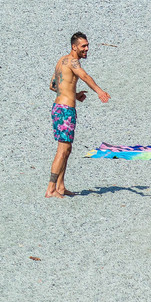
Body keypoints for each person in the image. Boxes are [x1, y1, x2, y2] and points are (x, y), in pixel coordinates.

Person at [48, 32, 110, 197]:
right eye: (83, 46)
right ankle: (50, 189)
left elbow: (53, 85)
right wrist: (100, 91)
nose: (86, 49)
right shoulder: (73, 62)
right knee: (62, 150)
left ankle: (60, 187)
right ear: (74, 47)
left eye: (87, 45)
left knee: (67, 149)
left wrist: (73, 95)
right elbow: (84, 76)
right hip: (65, 110)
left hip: (59, 107)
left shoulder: (61, 61)